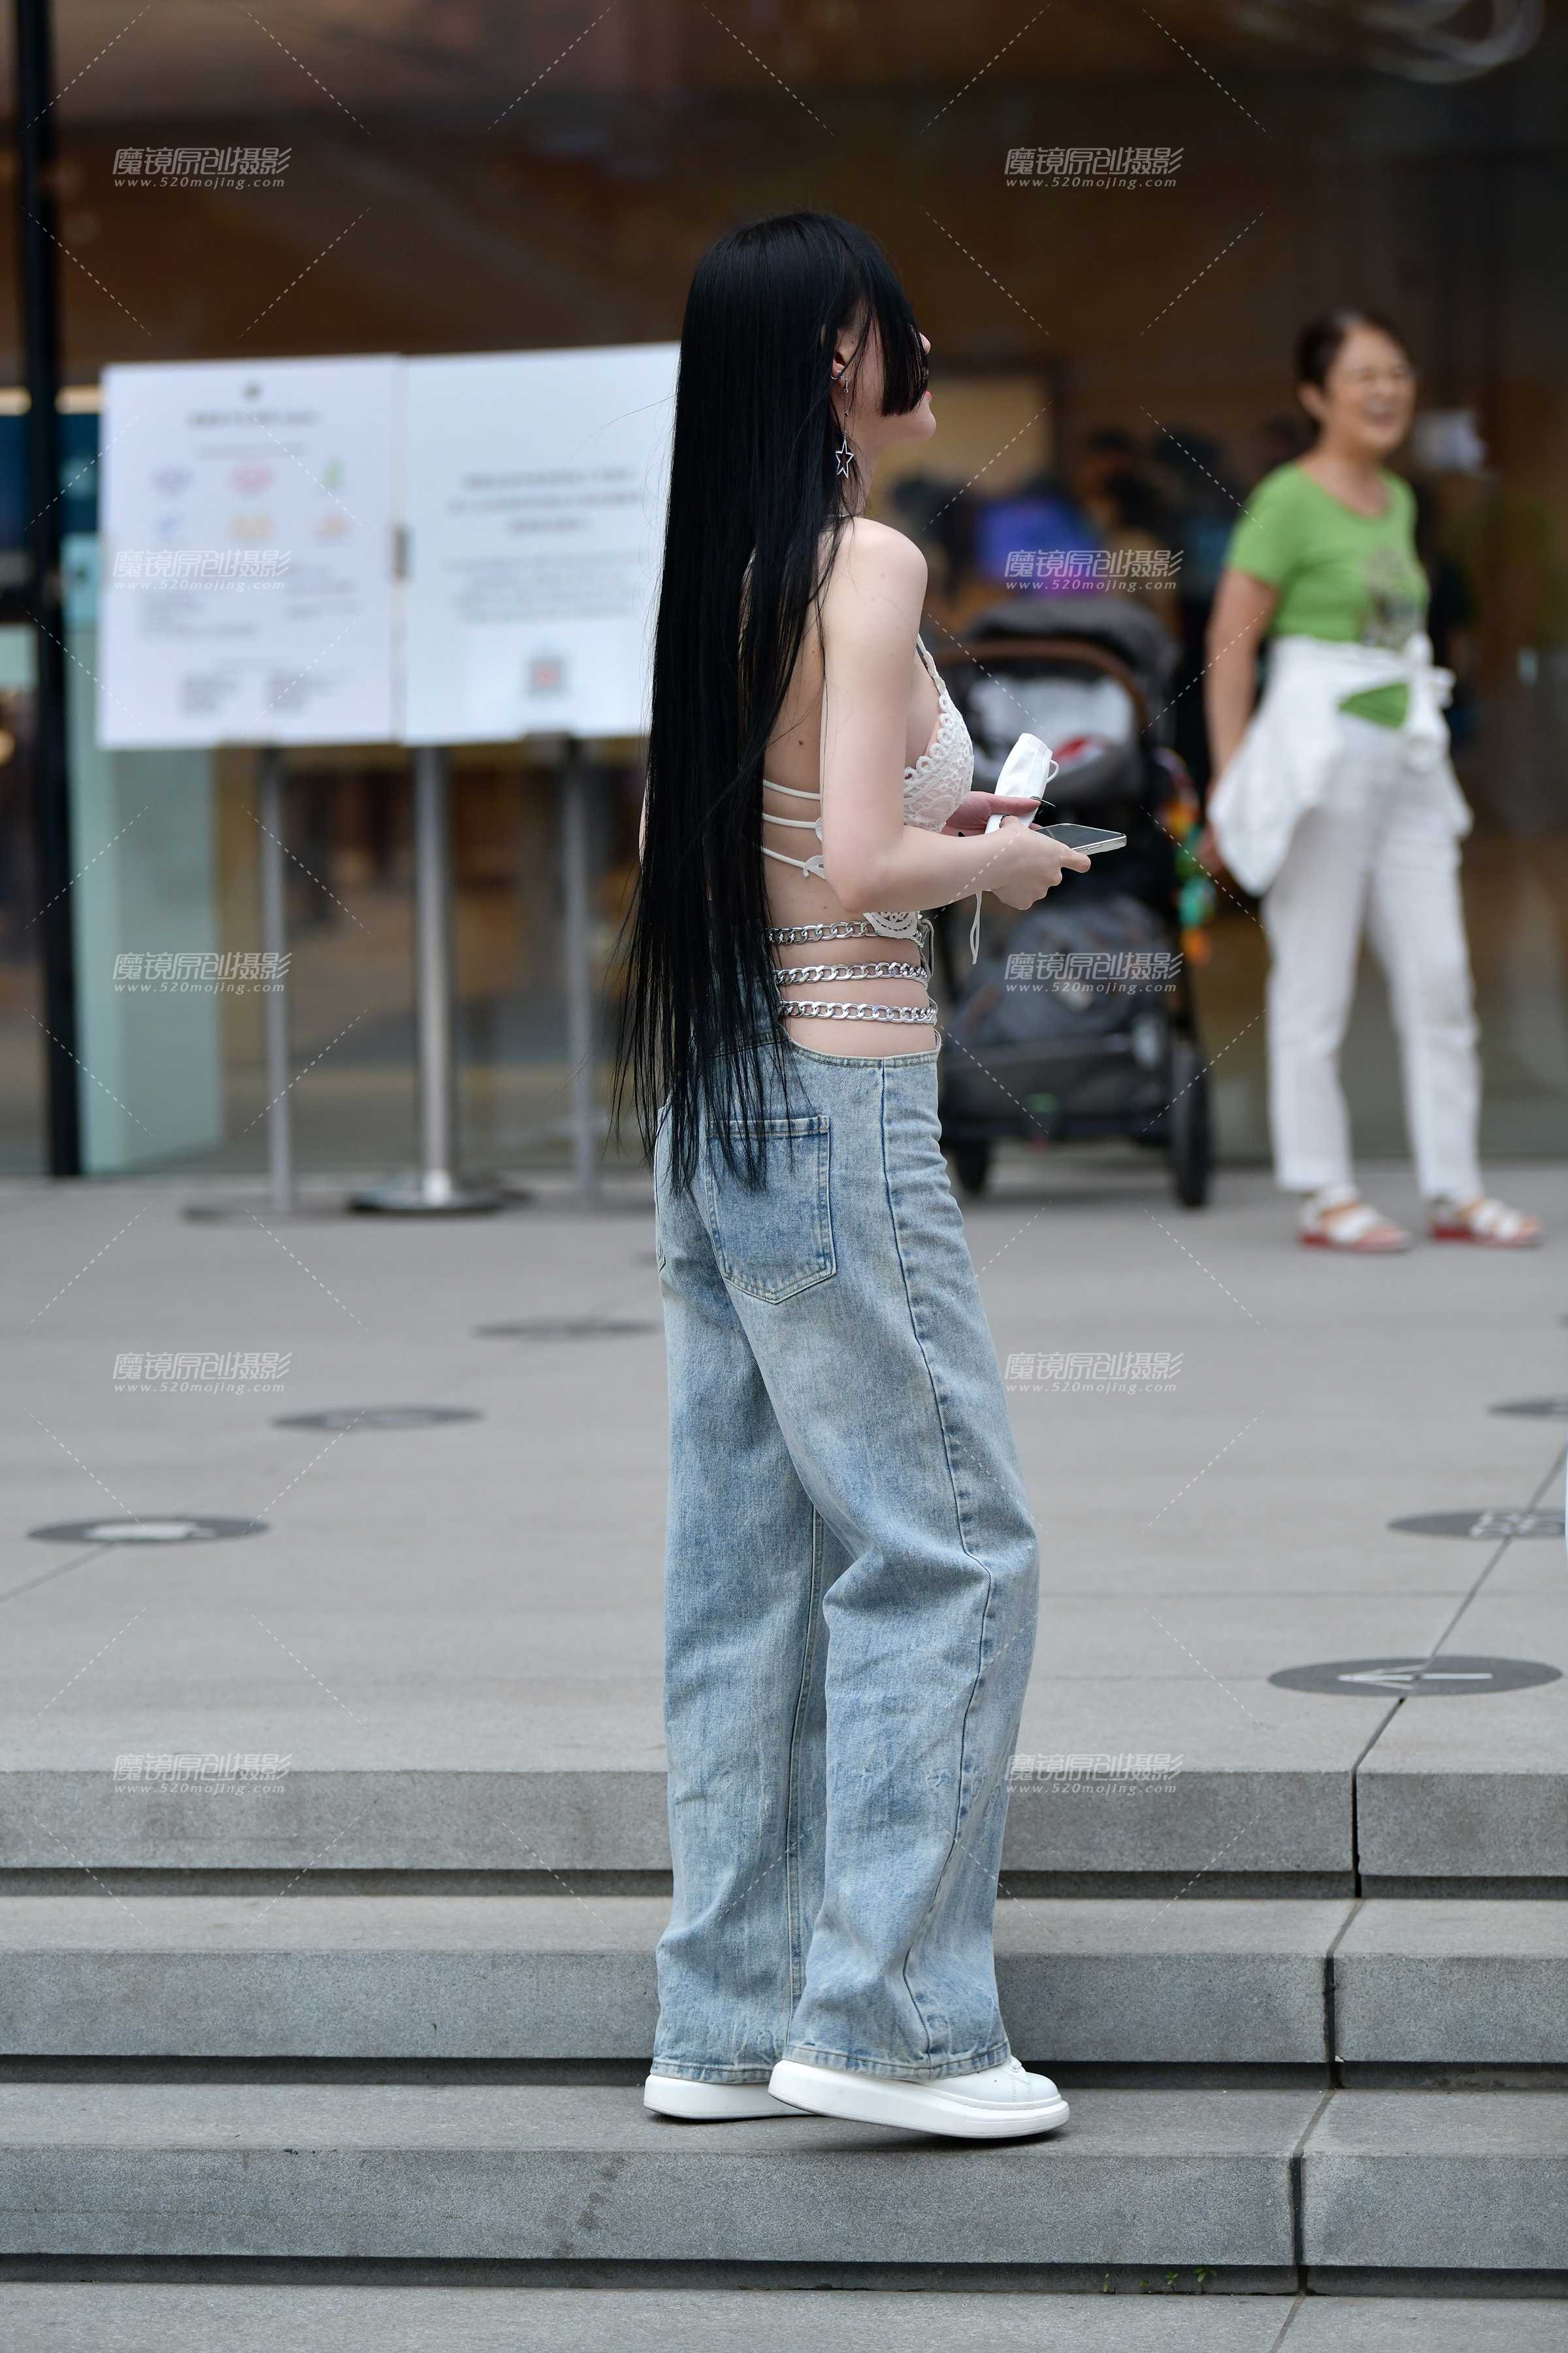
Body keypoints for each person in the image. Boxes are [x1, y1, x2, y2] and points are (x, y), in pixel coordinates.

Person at [612, 210, 1089, 2141]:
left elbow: (738, 850)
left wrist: (943, 834)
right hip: (842, 1090)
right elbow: (863, 873)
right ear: (837, 359)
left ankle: (726, 2019)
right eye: (897, 326)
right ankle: (891, 2019)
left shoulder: (715, 576)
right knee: (949, 1542)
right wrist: (1007, 858)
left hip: (718, 1096)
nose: (922, 350)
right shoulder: (869, 561)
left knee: (746, 1567)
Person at [1201, 310, 1540, 1251]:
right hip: (1323, 759)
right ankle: (1324, 1190)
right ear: (1316, 396)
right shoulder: (1287, 500)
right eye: (1364, 376)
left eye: (1398, 372)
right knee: (1314, 980)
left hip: (1408, 760)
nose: (1387, 391)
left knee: (1441, 978)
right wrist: (1233, 785)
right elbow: (1230, 643)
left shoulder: (1396, 498)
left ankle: (1455, 1189)